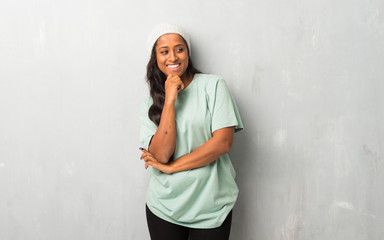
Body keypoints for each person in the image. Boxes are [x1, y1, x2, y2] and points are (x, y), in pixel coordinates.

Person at [139, 23, 243, 240]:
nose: (173, 57)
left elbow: (223, 143)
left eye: (179, 49)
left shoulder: (213, 86)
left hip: (211, 207)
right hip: (164, 207)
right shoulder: (150, 102)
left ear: (187, 53)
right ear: (155, 58)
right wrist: (169, 100)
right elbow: (160, 156)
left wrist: (173, 168)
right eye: (164, 51)